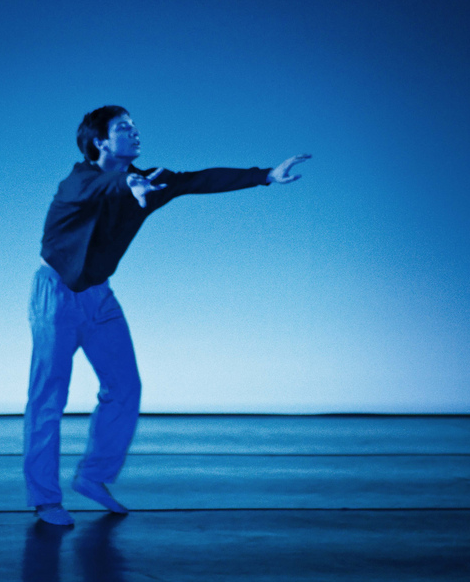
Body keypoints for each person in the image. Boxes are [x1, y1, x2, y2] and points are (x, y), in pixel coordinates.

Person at [24, 105, 310, 526]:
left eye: (135, 126)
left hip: (100, 298)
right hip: (56, 295)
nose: (135, 132)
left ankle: (92, 477)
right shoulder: (78, 180)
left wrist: (265, 175)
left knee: (125, 387)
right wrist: (128, 183)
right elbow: (99, 186)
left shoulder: (151, 181)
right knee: (48, 397)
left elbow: (199, 180)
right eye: (124, 127)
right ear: (100, 141)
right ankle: (45, 499)